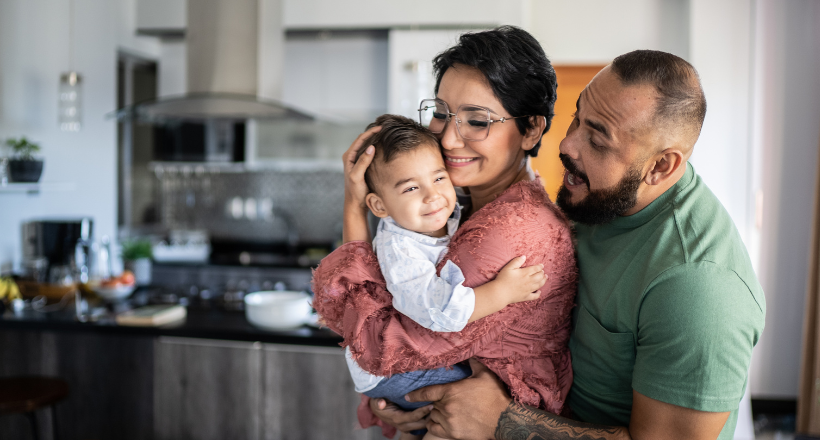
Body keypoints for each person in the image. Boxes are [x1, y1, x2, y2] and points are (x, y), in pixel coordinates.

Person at [402, 50, 766, 440]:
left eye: (597, 139)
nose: (567, 145)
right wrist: (414, 402)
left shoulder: (699, 287)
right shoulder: (594, 198)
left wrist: (503, 420)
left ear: (661, 167)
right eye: (577, 117)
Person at [311, 26, 577, 439]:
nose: (449, 138)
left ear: (531, 129)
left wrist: (353, 205)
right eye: (440, 112)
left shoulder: (507, 230)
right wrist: (390, 403)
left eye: (476, 120)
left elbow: (382, 346)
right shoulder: (461, 204)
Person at [340, 114, 547, 439]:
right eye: (411, 188)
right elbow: (439, 311)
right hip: (390, 371)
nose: (432, 195)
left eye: (439, 178)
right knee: (469, 399)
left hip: (392, 362)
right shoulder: (401, 251)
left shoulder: (439, 215)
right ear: (379, 205)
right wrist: (503, 292)